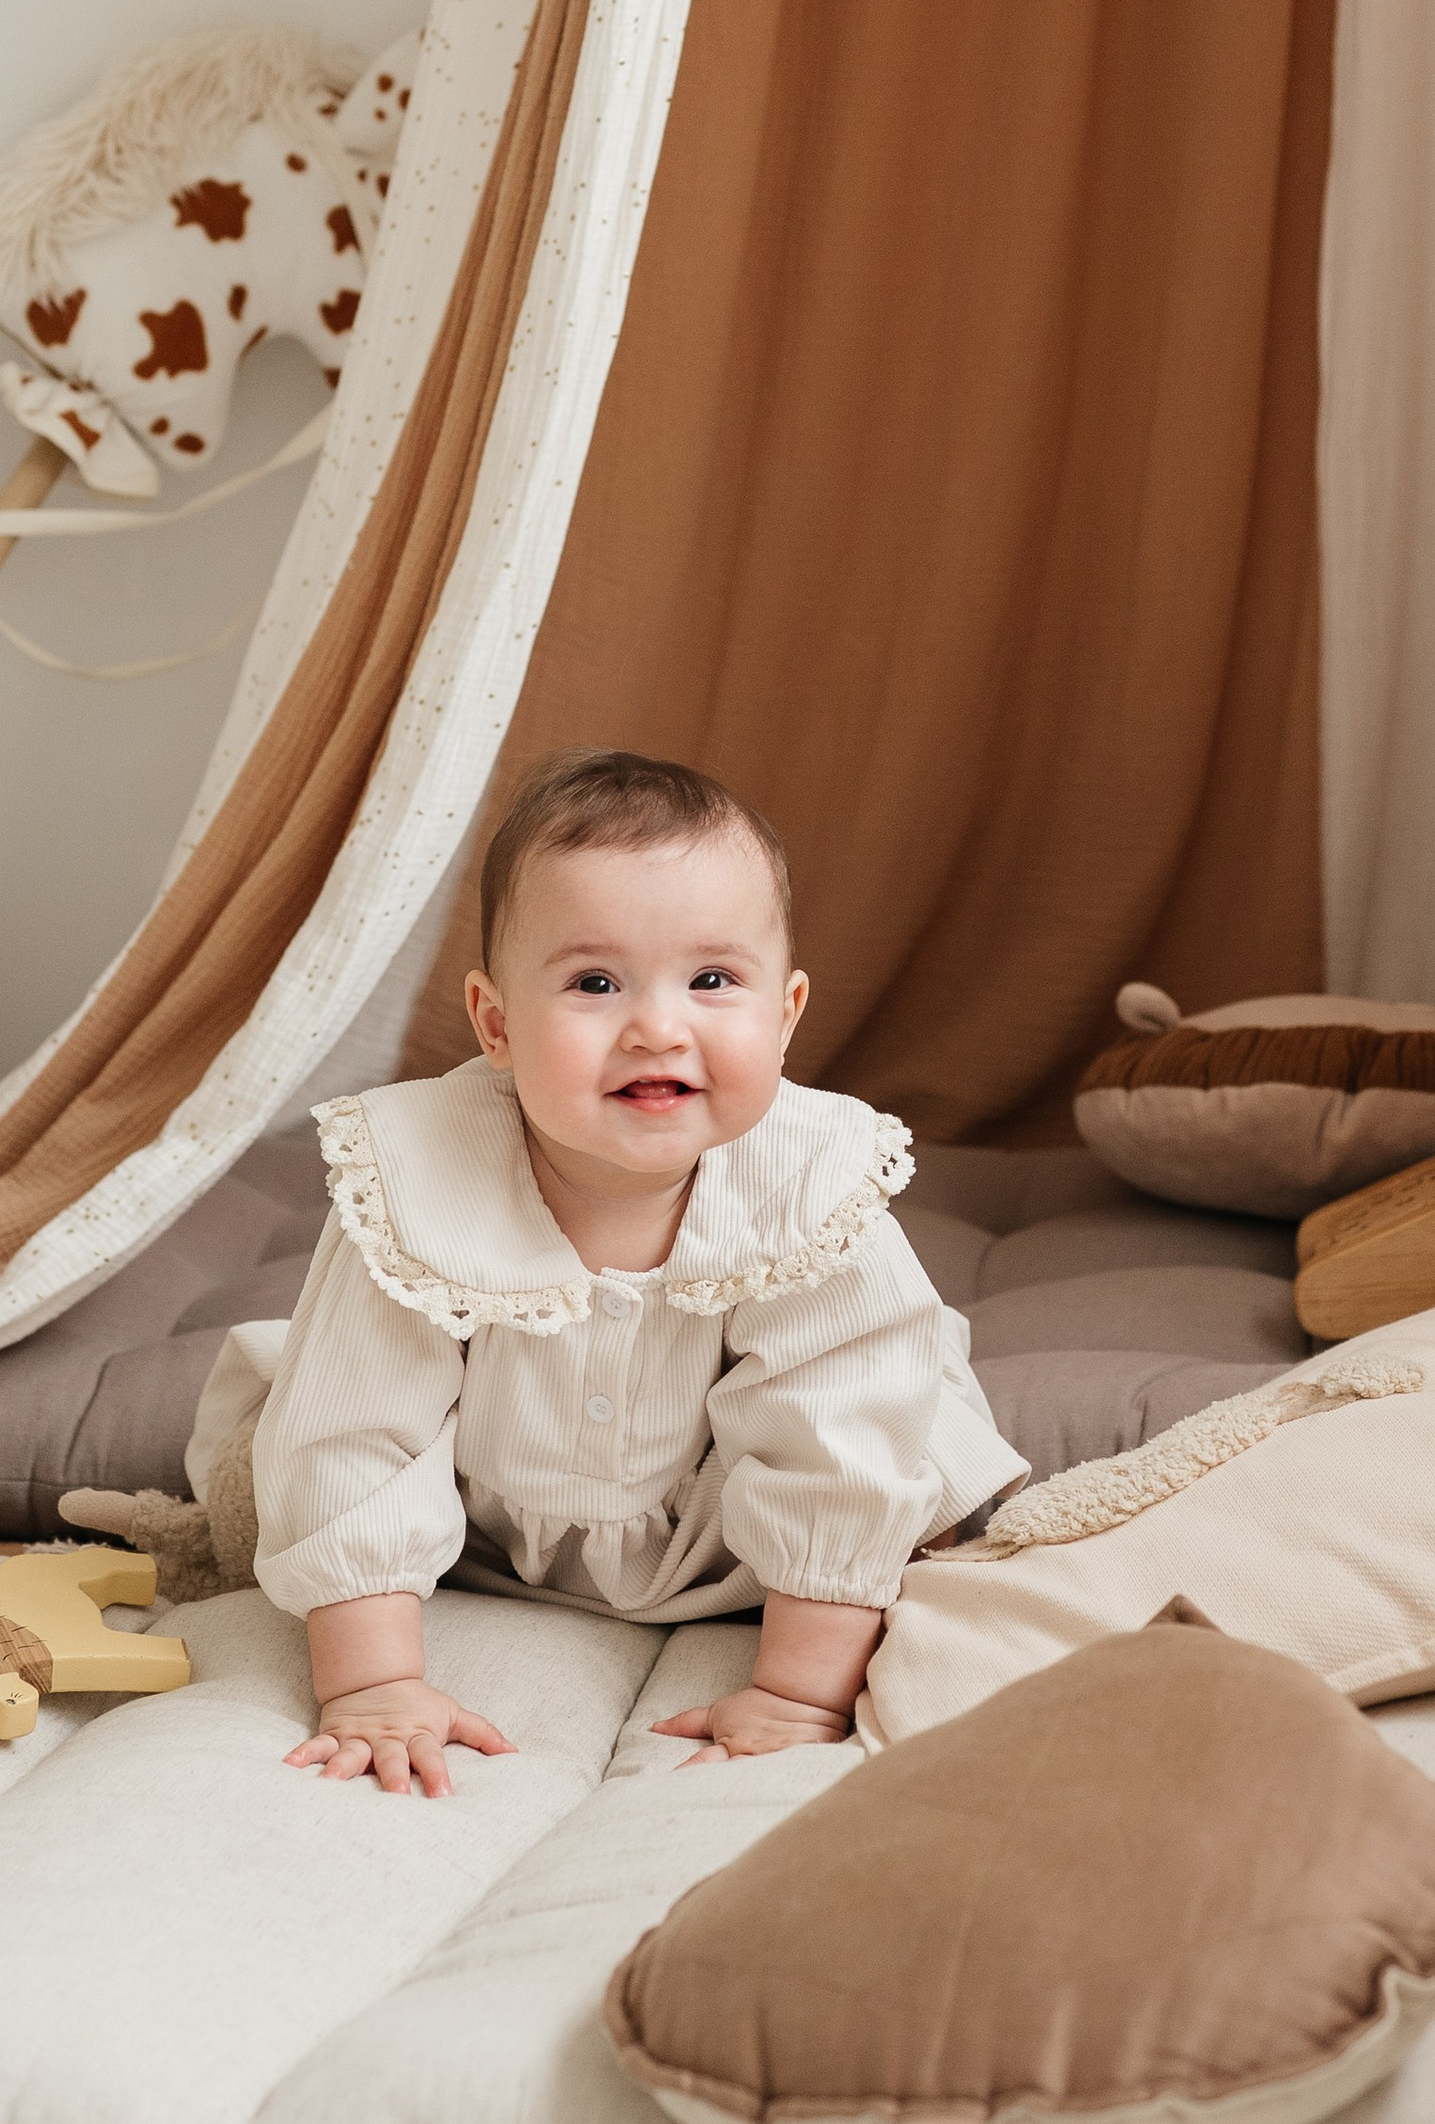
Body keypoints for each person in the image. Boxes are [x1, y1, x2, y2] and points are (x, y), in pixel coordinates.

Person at [252, 747, 1025, 1795]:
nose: (657, 1024)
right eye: (594, 982)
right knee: (301, 1404)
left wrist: (799, 1693)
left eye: (712, 980)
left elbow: (838, 1440)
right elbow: (358, 1436)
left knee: (900, 1424)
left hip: (738, 1532)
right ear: (495, 1024)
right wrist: (372, 1683)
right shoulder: (413, 1185)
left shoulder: (811, 1190)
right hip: (494, 1519)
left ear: (786, 1012)